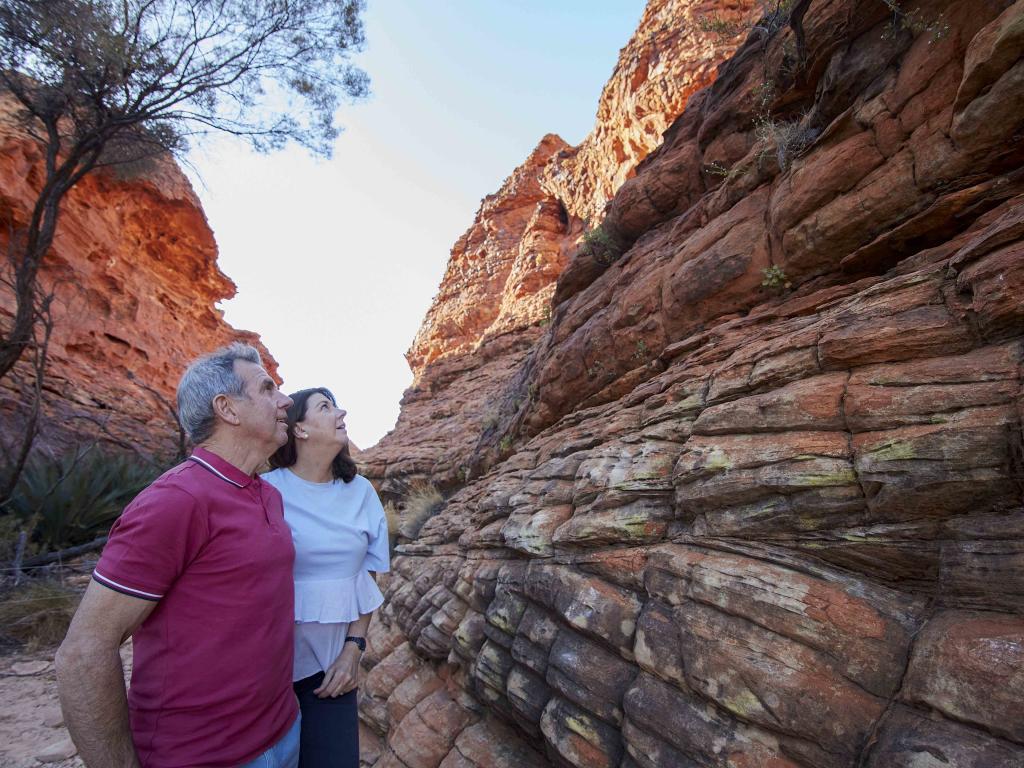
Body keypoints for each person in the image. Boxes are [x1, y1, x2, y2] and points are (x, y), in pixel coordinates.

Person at [55, 343, 300, 768]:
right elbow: (83, 652)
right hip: (201, 756)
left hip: (283, 731)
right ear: (228, 408)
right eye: (267, 389)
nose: (286, 401)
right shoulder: (176, 500)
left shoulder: (269, 495)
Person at [264, 387, 390, 768]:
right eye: (325, 406)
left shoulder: (361, 491)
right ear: (299, 429)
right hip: (264, 675)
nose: (341, 412)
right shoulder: (267, 491)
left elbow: (365, 578)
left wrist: (353, 650)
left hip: (330, 674)